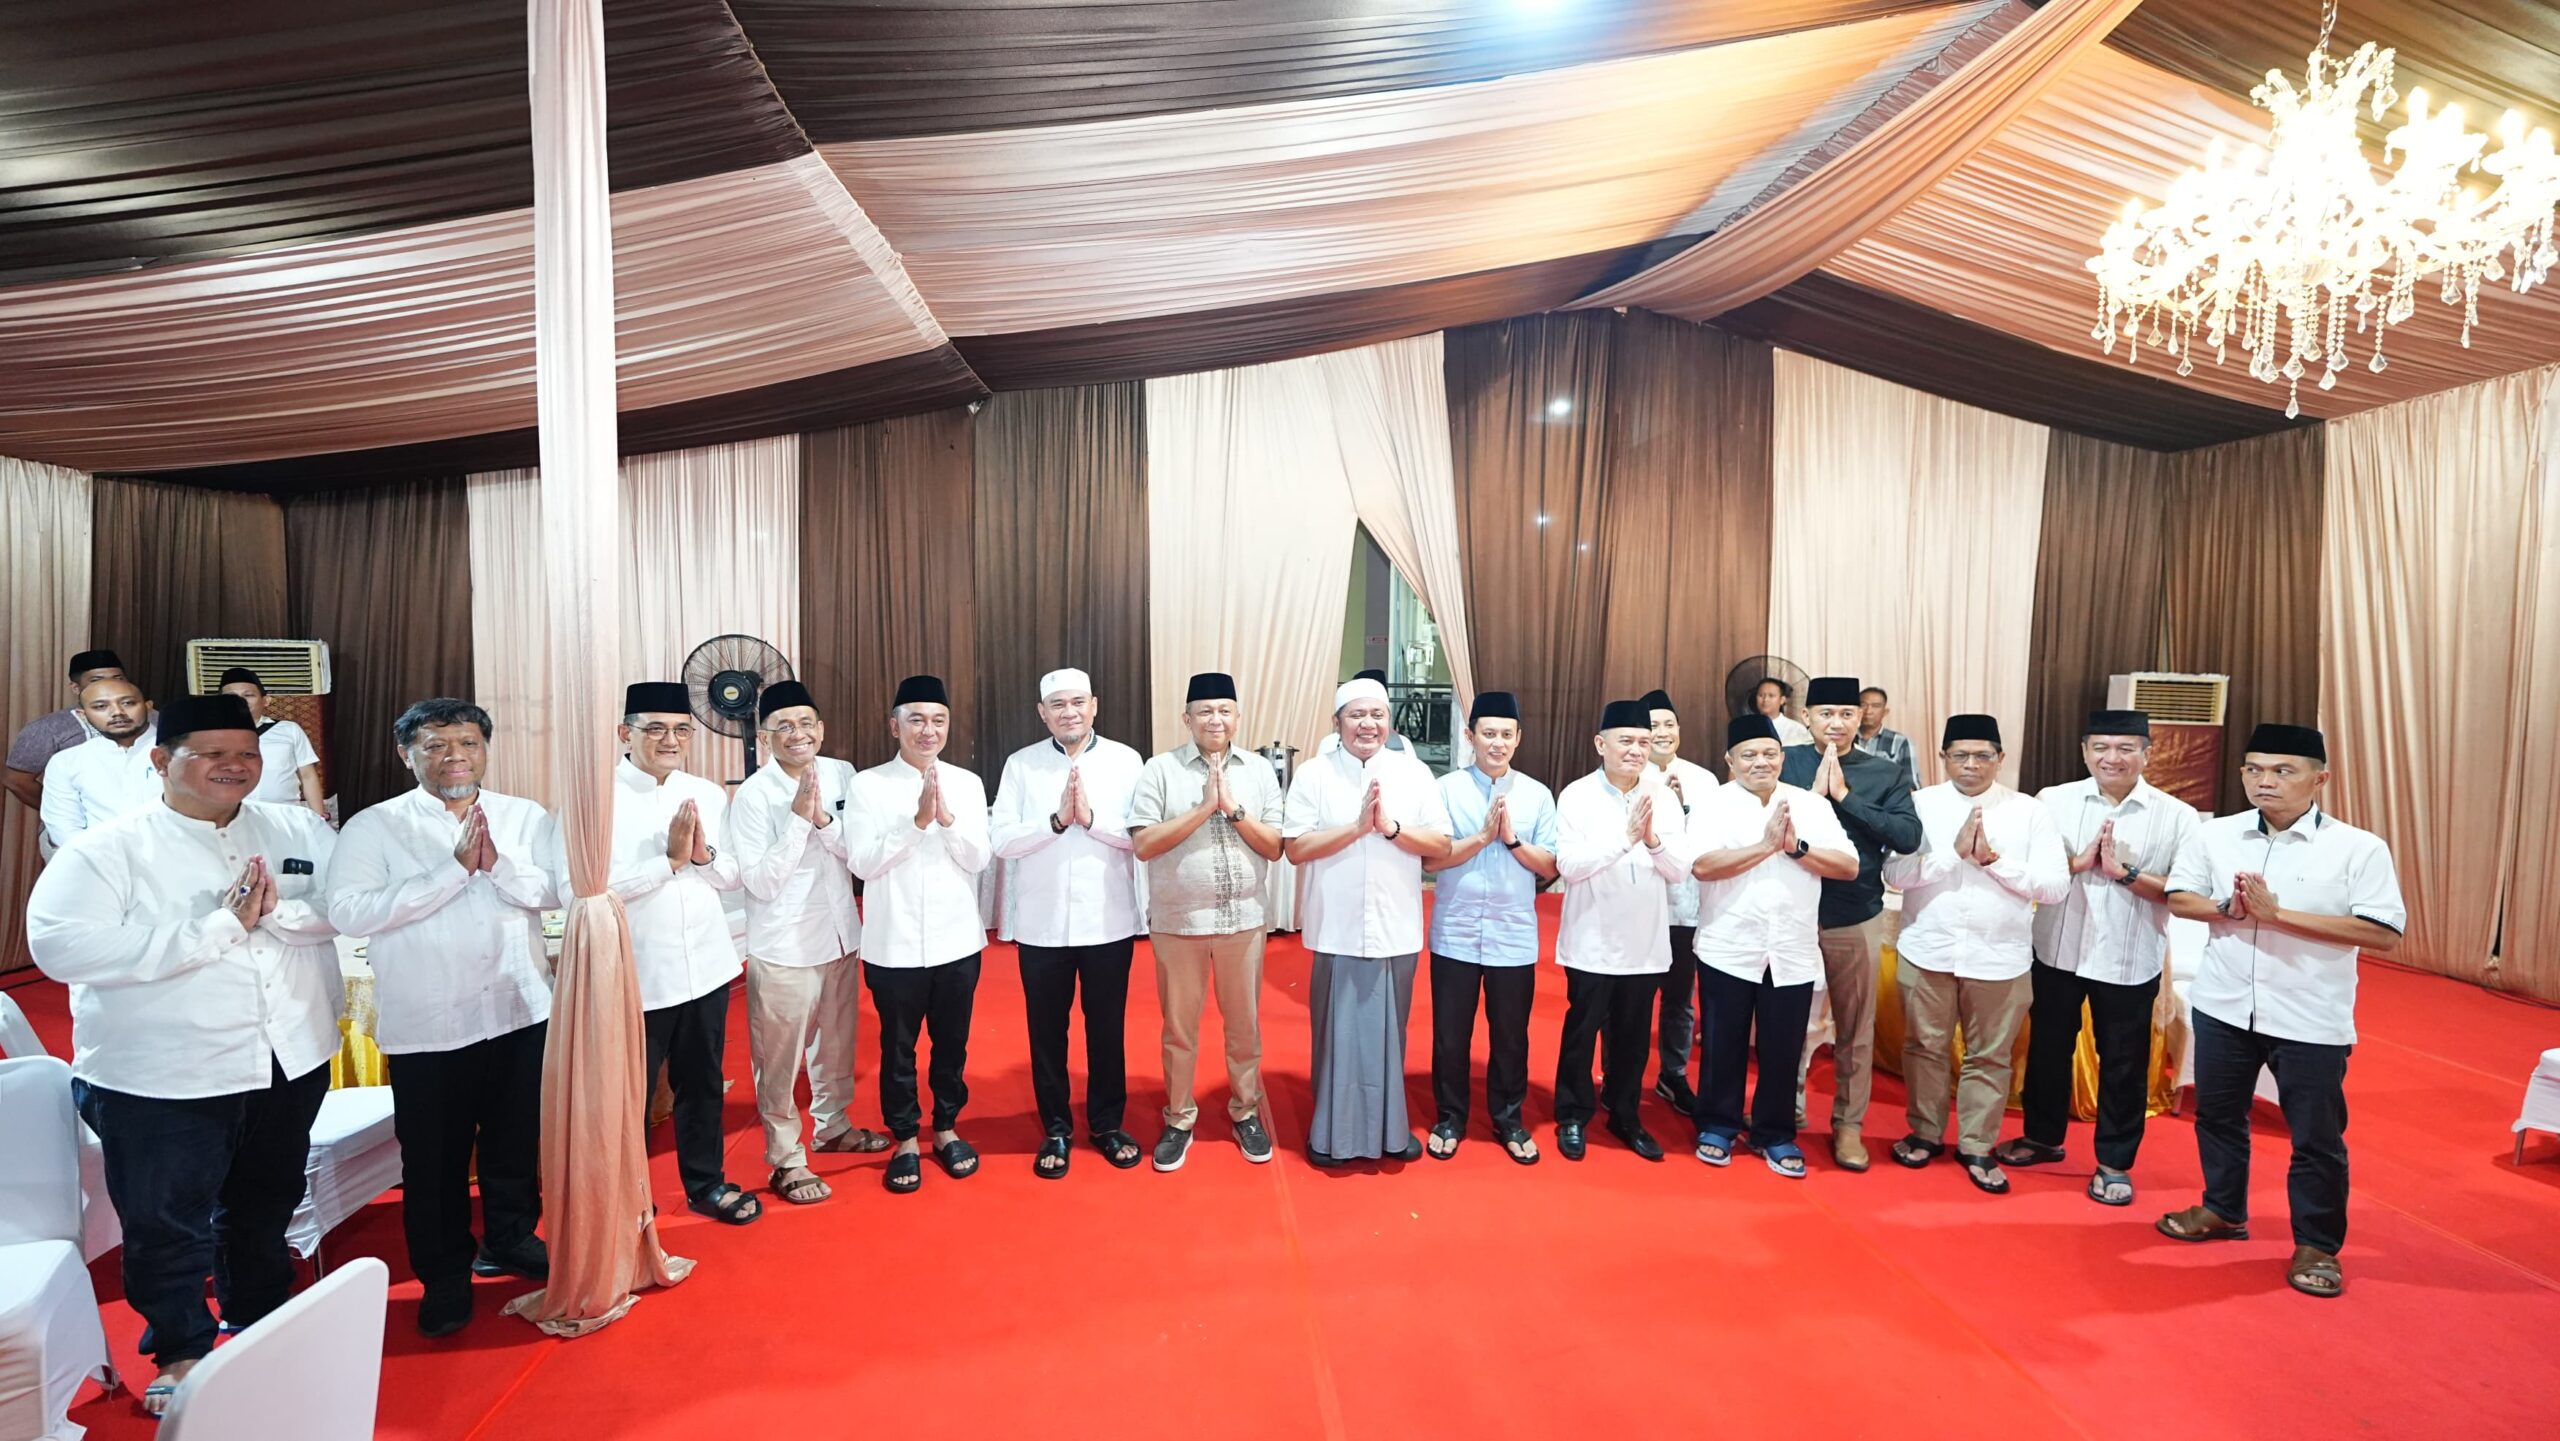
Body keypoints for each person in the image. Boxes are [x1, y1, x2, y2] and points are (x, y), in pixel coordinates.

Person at [25, 694, 340, 1414]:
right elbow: (62, 947)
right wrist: (216, 928)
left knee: (264, 1203)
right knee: (166, 1222)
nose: (236, 766)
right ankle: (181, 1349)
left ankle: (257, 1318)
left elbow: (345, 903)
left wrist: (280, 914)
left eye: (248, 754)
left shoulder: (295, 826)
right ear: (163, 760)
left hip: (287, 1056)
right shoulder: (108, 848)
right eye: (214, 754)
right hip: (163, 1074)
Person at [328, 697, 562, 1337]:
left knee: (516, 1142)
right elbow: (349, 912)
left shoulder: (524, 815)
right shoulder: (374, 827)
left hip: (519, 1009)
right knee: (434, 1162)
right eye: (434, 745)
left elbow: (554, 890)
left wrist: (498, 866)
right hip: (430, 1026)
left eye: (467, 743)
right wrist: (453, 872)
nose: (454, 756)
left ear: (485, 749)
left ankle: (511, 1238)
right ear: (406, 756)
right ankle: (444, 1276)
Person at [2157, 724, 2404, 1300]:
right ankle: (2223, 1209)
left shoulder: (2359, 848)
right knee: (2218, 1118)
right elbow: (2179, 896)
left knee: (2316, 1137)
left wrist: (2277, 915)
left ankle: (2317, 1245)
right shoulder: (2215, 834)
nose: (2264, 781)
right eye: (2254, 769)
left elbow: (2383, 932)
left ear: (2320, 779)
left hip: (2308, 1015)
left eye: (2283, 771)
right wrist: (2227, 907)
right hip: (2222, 1005)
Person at [1998, 709, 2200, 1205]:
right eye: (2101, 748)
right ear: (2085, 752)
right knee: (2047, 1050)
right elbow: (2030, 872)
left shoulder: (2177, 815)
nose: (2113, 758)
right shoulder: (2052, 801)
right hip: (2057, 950)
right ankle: (2042, 1138)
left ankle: (2114, 1163)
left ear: (2147, 754)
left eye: (2126, 748)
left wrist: (2125, 874)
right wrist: (2077, 864)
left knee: (2124, 1063)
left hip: (2129, 959)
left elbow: (2185, 892)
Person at [1882, 716, 2067, 1193]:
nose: (1971, 764)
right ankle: (1924, 1133)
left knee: (1990, 1056)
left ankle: (1977, 1145)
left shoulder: (2030, 812)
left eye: (1983, 755)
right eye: (1960, 755)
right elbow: (1894, 875)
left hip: (2000, 957)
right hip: (1928, 949)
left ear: (2001, 758)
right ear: (1943, 757)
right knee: (1923, 1048)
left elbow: (2054, 887)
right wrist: (1952, 854)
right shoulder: (1919, 805)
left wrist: (1993, 861)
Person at [728, 680, 886, 1207]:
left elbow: (858, 852)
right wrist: (799, 823)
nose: (797, 734)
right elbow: (760, 881)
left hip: (840, 934)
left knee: (836, 1045)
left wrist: (824, 821)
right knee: (778, 1060)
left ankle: (833, 1126)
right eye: (783, 726)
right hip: (784, 946)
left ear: (820, 728)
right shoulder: (753, 796)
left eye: (805, 723)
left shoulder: (843, 774)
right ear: (764, 736)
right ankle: (785, 1158)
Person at [1285, 675, 1453, 1165]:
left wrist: (1391, 829)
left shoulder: (1414, 773)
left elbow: (1441, 845)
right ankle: (1330, 1135)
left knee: (1390, 1034)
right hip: (1335, 926)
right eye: (1356, 715)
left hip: (1395, 924)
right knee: (1334, 1034)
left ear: (1389, 722)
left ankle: (1388, 1131)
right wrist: (1357, 828)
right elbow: (1296, 848)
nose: (1367, 724)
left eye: (1377, 715)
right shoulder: (1314, 774)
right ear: (1337, 722)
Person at [608, 683, 758, 1225]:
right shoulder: (598, 799)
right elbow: (581, 888)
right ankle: (628, 1202)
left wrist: (701, 856)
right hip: (637, 974)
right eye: (655, 729)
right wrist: (667, 863)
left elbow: (731, 874)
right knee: (630, 1098)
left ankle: (707, 1183)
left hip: (707, 965)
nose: (670, 740)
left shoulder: (706, 793)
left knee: (703, 1085)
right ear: (625, 734)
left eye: (680, 730)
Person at [990, 667, 1147, 1177]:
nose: (1069, 712)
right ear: (1043, 713)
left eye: (1078, 702)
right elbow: (1001, 840)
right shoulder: (1021, 764)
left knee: (1107, 1030)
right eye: (1058, 704)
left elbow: (1142, 835)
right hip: (1042, 924)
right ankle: (1056, 1128)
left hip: (1109, 920)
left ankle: (1107, 1123)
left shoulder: (1126, 760)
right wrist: (1056, 822)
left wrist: (1091, 820)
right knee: (1046, 1033)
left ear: (1094, 705)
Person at [1687, 714, 1858, 1177]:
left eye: (1768, 753)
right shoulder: (1713, 804)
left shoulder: (1810, 805)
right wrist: (1766, 846)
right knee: (1723, 1042)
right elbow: (1702, 866)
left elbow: (1848, 866)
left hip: (1791, 948)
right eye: (1749, 755)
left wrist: (1797, 848)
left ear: (1782, 757)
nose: (1760, 762)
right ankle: (1717, 1125)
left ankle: (1775, 1133)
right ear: (1730, 760)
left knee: (1783, 1048)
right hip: (1728, 945)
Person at [1128, 672, 1285, 1171]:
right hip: (1178, 922)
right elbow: (1143, 844)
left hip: (1244, 921)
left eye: (1224, 710)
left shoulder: (1259, 771)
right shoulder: (1160, 769)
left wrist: (1232, 809)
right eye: (1204, 711)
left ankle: (1246, 1111)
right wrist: (1203, 808)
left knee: (1245, 1027)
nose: (1215, 719)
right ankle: (1178, 1118)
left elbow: (1275, 847)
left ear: (1237, 717)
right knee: (1179, 1030)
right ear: (1187, 718)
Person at [845, 674, 991, 1195]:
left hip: (958, 942)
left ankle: (946, 1127)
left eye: (938, 721)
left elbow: (979, 858)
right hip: (894, 943)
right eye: (916, 720)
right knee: (898, 1047)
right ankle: (905, 1137)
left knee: (952, 1043)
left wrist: (946, 820)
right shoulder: (867, 785)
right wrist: (916, 824)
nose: (928, 731)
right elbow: (862, 863)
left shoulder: (967, 783)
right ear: (895, 726)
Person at [1780, 674, 1922, 1172]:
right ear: (1806, 718)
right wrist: (1811, 797)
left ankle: (1848, 1125)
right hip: (1789, 911)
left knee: (1855, 1027)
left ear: (1861, 717)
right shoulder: (1784, 762)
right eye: (1825, 714)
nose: (1836, 723)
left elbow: (1907, 836)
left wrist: (1844, 797)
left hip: (1854, 912)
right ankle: (1783, 1108)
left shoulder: (1884, 772)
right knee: (1784, 1020)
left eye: (1846, 714)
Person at [1551, 700, 1690, 1163]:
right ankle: (1573, 1113)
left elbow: (1678, 871)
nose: (1636, 750)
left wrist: (1652, 840)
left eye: (1643, 743)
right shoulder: (1577, 795)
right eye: (1626, 741)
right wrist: (1626, 838)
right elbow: (1570, 866)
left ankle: (1625, 1113)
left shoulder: (1662, 797)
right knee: (1582, 1029)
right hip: (1591, 938)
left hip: (1644, 942)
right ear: (1601, 744)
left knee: (1632, 1036)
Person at [1421, 691, 1557, 1163]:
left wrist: (1512, 840)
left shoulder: (1537, 794)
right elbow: (1431, 859)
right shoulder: (1445, 790)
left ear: (1519, 738)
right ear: (1470, 735)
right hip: (1455, 931)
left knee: (1511, 1035)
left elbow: (1549, 866)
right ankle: (1450, 1117)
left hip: (1513, 934)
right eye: (1488, 733)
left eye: (1506, 734)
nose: (1497, 743)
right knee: (1450, 1034)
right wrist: (1482, 837)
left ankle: (1509, 1118)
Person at [1638, 686, 1719, 1119]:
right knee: (1629, 1000)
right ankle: (1621, 1076)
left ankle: (1673, 1073)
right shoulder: (1627, 774)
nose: (1663, 733)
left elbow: (1709, 843)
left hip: (1685, 909)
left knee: (1679, 1000)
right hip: (1638, 906)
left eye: (1669, 724)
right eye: (1654, 726)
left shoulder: (1704, 781)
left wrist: (1682, 809)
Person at [3, 648, 126, 818]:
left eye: (118, 679)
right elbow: (17, 780)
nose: (110, 685)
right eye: (97, 680)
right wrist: (62, 811)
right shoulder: (49, 727)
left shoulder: (153, 718)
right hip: (74, 827)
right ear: (76, 688)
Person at [40, 675, 160, 849]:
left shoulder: (180, 753)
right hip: (96, 859)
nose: (117, 712)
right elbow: (64, 829)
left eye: (128, 703)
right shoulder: (66, 761)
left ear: (148, 707)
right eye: (101, 706)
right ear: (83, 715)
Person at [216, 667, 327, 816]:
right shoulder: (209, 735)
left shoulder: (289, 730)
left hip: (285, 814)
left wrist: (319, 818)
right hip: (233, 816)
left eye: (248, 695)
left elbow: (307, 776)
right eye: (231, 696)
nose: (240, 701)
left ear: (266, 701)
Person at [1854, 686, 1921, 789]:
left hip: (1888, 797)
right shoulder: (1845, 740)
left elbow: (1911, 784)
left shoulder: (1900, 742)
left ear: (1885, 712)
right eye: (1863, 705)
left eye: (1875, 706)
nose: (1868, 711)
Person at [1753, 676, 1815, 747]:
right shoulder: (1748, 726)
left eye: (1771, 696)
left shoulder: (1796, 729)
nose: (1765, 699)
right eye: (1761, 695)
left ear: (1782, 700)